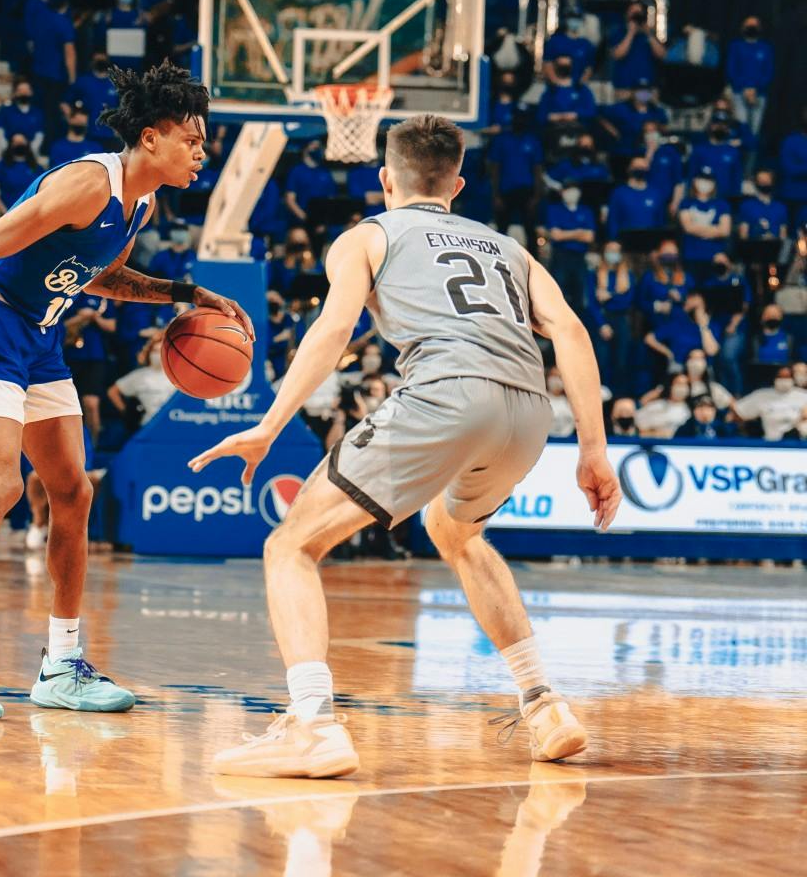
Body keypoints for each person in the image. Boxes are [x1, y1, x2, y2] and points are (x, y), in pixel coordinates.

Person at [191, 115, 618, 778]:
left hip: (447, 393)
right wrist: (594, 449)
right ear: (457, 182)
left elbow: (335, 330)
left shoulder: (368, 235)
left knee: (290, 544)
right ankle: (543, 702)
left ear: (385, 177)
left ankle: (312, 723)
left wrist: (269, 423)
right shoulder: (509, 247)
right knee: (455, 531)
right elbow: (569, 329)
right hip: (529, 409)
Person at [0, 65, 243, 720]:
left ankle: (62, 665)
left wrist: (183, 294)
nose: (202, 153)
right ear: (151, 136)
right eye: (192, 140)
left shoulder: (142, 202)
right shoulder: (88, 182)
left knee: (73, 491)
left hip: (41, 333)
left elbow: (98, 275)